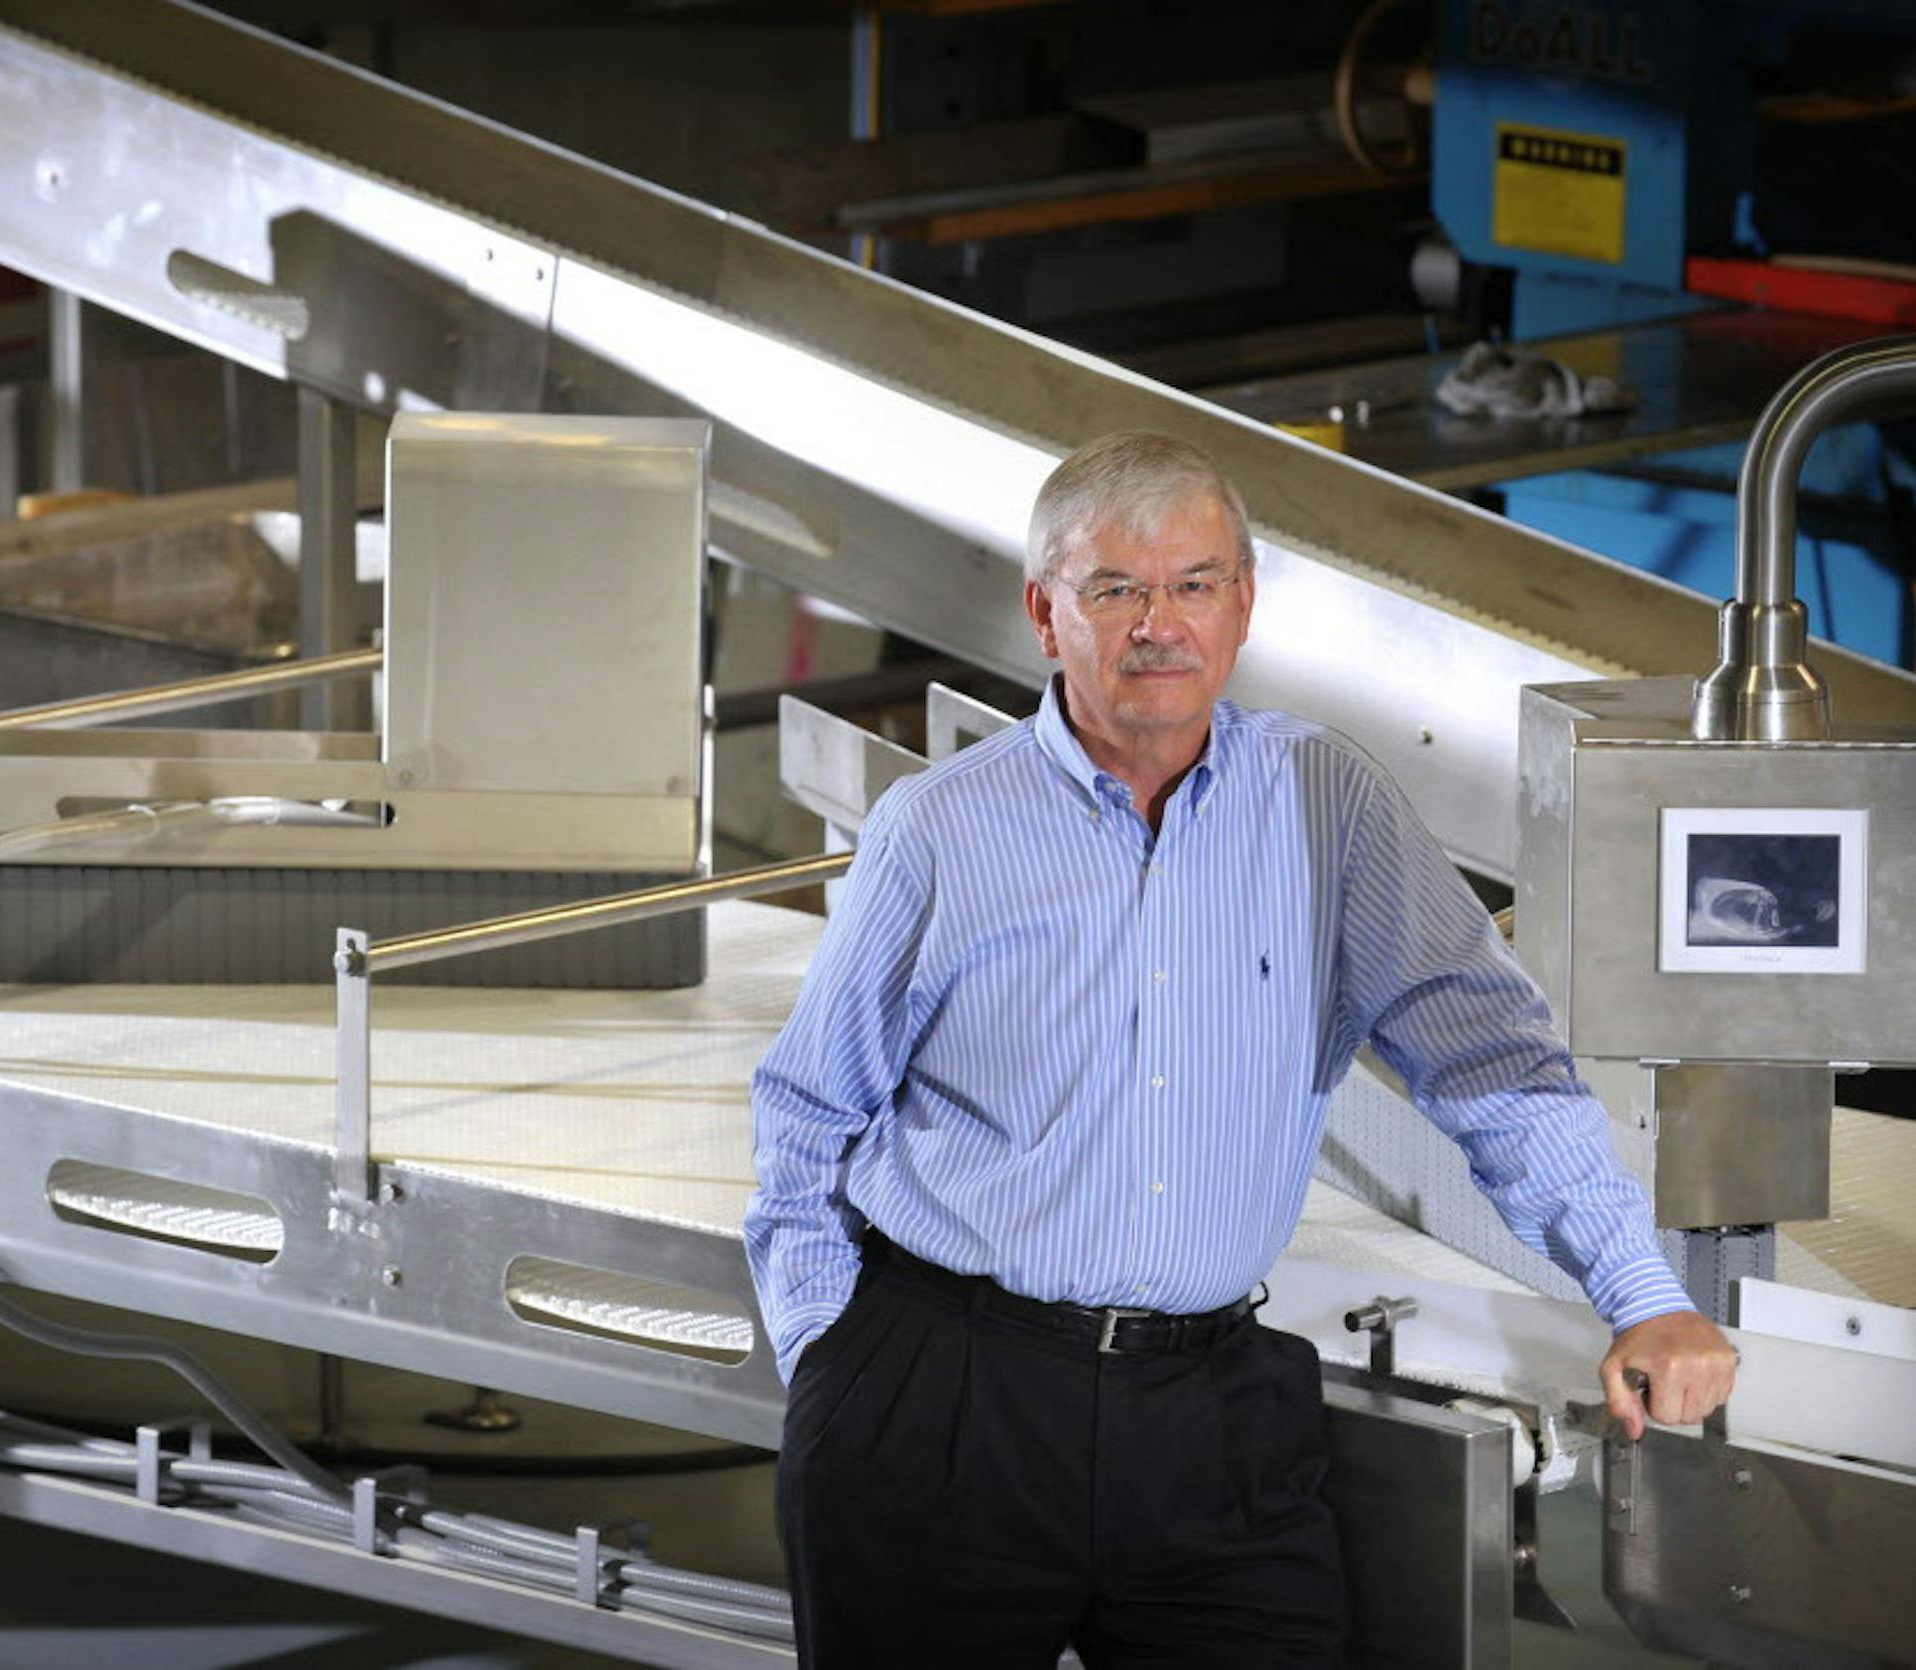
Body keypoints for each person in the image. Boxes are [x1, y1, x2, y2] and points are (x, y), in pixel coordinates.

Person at [744, 430, 1737, 1667]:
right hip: (952, 1401)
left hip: (1208, 1413)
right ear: (1046, 615)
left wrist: (1640, 1291)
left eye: (1195, 583)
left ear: (1244, 605)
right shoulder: (940, 830)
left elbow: (1494, 1063)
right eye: (1115, 589)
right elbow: (805, 1113)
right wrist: (837, 1370)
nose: (1160, 623)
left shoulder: (1330, 804)